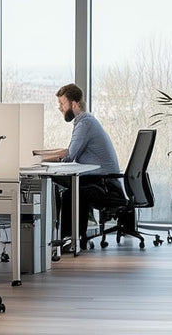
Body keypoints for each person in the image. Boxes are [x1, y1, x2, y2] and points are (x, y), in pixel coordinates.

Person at [38, 83, 122, 245]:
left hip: (105, 184)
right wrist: (47, 156)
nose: (60, 108)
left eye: (62, 104)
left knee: (70, 191)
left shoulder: (85, 123)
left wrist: (43, 161)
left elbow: (69, 156)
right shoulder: (85, 121)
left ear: (74, 104)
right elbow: (69, 152)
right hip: (100, 179)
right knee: (64, 184)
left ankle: (70, 239)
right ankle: (69, 237)